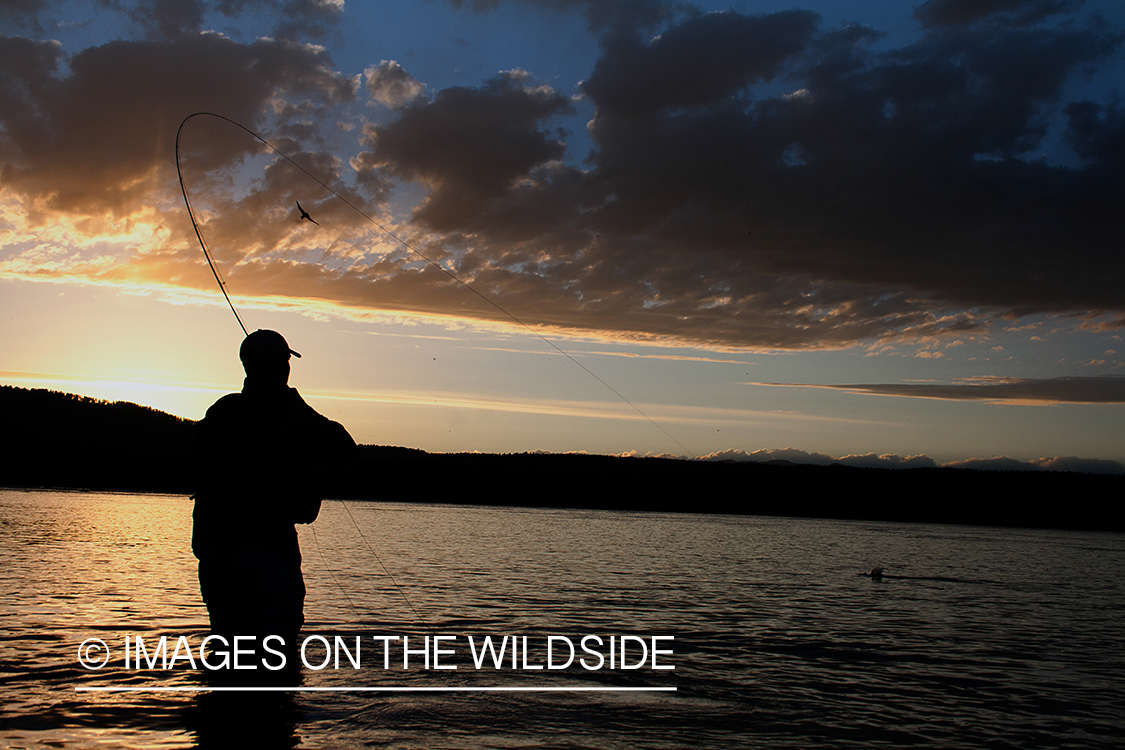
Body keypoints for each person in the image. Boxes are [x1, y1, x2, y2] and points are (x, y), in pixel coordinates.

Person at [192, 329, 355, 668]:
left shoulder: (219, 412)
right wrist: (297, 405)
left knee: (226, 660)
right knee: (273, 664)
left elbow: (200, 475)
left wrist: (205, 549)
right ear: (282, 366)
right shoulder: (291, 415)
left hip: (214, 555)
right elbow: (344, 448)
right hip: (266, 553)